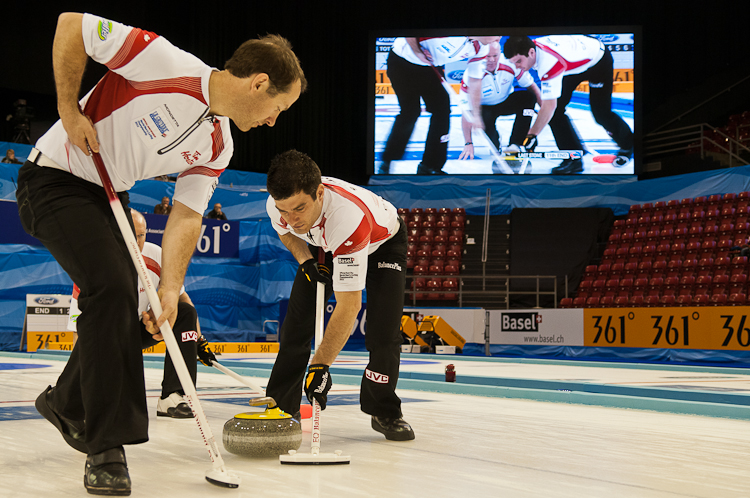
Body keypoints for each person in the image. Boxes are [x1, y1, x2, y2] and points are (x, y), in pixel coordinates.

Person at [17, 12, 304, 495]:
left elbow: (187, 217)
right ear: (259, 83)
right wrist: (68, 109)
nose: (274, 119)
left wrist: (170, 288)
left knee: (146, 314)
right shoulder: (162, 60)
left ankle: (66, 402)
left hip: (109, 195)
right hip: (55, 178)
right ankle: (105, 446)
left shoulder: (219, 144)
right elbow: (71, 26)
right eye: (279, 106)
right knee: (108, 287)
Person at [265, 150, 414, 442]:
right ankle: (282, 406)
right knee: (296, 326)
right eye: (285, 211)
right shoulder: (278, 204)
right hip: (327, 247)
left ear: (319, 193)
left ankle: (383, 409)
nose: (292, 219)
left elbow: (349, 305)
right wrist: (306, 261)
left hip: (380, 243)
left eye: (299, 209)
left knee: (384, 333)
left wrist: (320, 366)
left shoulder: (346, 218)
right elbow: (286, 232)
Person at [66, 210, 217, 419]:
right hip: (104, 335)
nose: (136, 242)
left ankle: (173, 395)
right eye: (131, 234)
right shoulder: (93, 263)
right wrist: (84, 385)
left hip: (142, 329)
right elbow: (79, 332)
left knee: (185, 313)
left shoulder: (157, 255)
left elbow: (183, 300)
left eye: (141, 235)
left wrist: (198, 341)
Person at [504, 35, 634, 175]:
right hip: (571, 63)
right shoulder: (533, 50)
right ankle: (573, 159)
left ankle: (628, 144)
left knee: (601, 113)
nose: (517, 67)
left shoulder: (548, 63)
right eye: (513, 63)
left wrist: (531, 135)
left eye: (518, 61)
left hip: (598, 61)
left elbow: (549, 106)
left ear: (531, 53)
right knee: (556, 112)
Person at [380, 36, 500, 175]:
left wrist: (476, 116)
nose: (498, 38)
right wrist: (417, 51)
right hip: (403, 61)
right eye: (496, 35)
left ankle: (430, 166)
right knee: (410, 112)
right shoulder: (450, 32)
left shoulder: (481, 48)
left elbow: (474, 80)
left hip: (430, 66)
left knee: (442, 110)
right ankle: (388, 161)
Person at [458, 41, 541, 160]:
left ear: (500, 54)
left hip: (506, 102)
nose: (491, 60)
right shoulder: (471, 74)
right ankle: (496, 143)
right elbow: (466, 111)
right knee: (494, 148)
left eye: (495, 56)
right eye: (487, 56)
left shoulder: (510, 62)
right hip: (485, 110)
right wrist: (468, 143)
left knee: (528, 98)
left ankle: (516, 142)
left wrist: (547, 112)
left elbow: (531, 86)